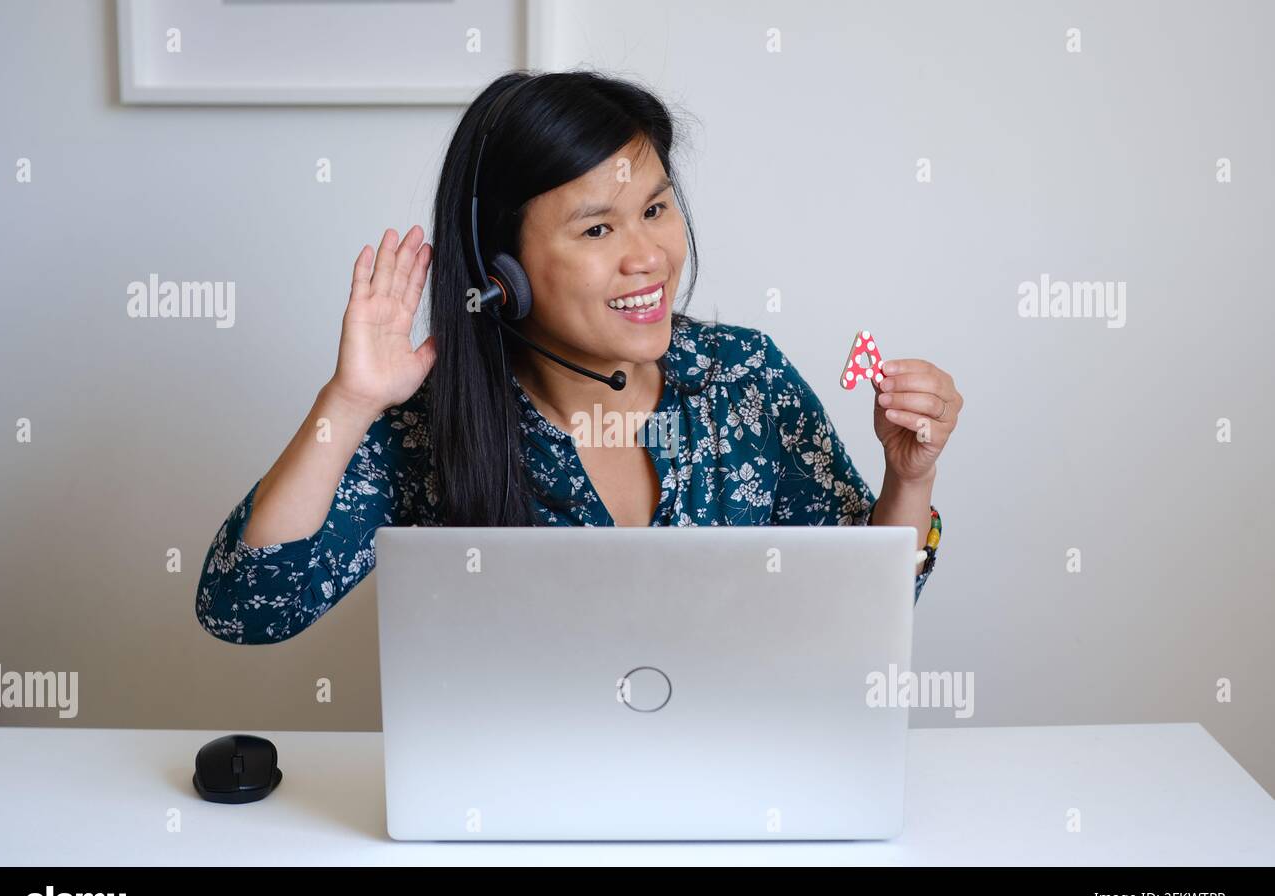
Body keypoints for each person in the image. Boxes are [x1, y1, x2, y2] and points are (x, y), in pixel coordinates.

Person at [194, 70, 962, 645]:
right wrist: (349, 402)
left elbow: (864, 615)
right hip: (513, 813)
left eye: (657, 210)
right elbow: (245, 607)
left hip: (732, 790)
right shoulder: (431, 431)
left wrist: (910, 477)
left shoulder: (746, 379)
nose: (648, 258)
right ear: (503, 274)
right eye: (598, 230)